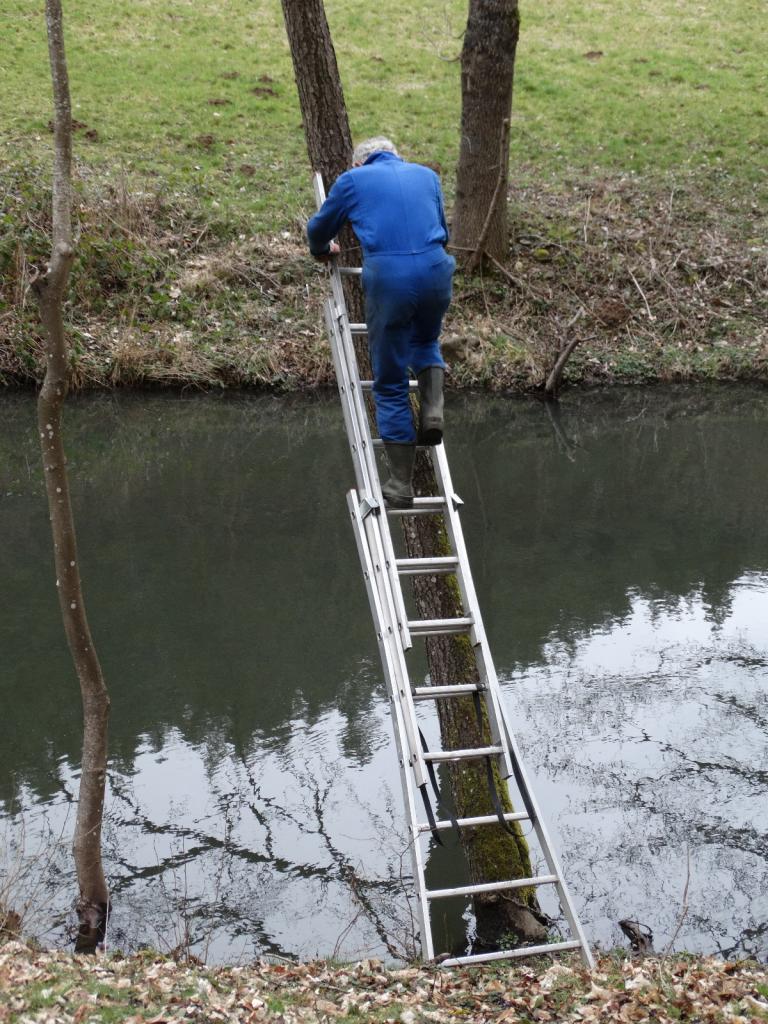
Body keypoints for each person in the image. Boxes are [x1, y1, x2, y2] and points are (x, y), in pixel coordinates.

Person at [307, 137, 455, 509]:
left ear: (360, 163)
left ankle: (400, 485)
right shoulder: (427, 176)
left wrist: (324, 251)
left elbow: (318, 230)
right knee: (426, 342)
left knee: (389, 380)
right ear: (397, 155)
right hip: (437, 269)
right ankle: (433, 413)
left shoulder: (352, 181)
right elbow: (443, 229)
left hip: (391, 277)